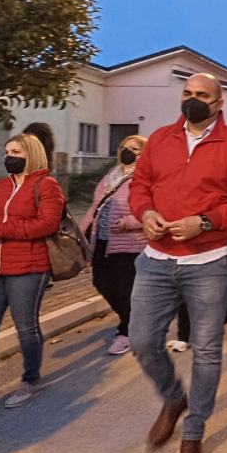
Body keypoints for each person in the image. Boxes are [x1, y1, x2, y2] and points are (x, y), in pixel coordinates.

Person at [128, 72, 227, 453]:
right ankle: (173, 397)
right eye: (187, 93)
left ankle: (193, 436)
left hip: (209, 263)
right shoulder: (160, 141)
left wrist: (204, 222)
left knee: (206, 350)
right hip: (156, 259)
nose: (193, 99)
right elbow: (140, 186)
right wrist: (145, 213)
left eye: (202, 95)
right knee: (143, 340)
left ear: (219, 104)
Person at [0, 134, 65, 408]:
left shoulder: (47, 185)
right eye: (7, 151)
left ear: (31, 154)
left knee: (26, 327)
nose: (10, 156)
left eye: (17, 151)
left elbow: (46, 225)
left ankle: (30, 380)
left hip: (30, 266)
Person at [79, 135, 149, 356]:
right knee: (101, 282)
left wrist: (129, 223)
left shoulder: (148, 178)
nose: (127, 151)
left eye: (134, 148)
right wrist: (82, 231)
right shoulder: (112, 175)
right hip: (103, 240)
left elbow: (156, 211)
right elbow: (95, 207)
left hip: (130, 243)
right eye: (124, 147)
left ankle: (126, 332)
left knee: (124, 288)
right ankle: (136, 322)